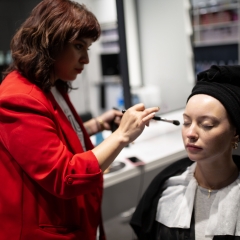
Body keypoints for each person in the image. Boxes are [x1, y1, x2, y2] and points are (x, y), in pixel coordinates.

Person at [0, 1, 160, 239]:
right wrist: (121, 135)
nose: (85, 59)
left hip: (78, 218)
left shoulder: (51, 86)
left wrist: (96, 125)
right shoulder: (19, 98)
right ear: (50, 42)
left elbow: (46, 140)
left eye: (88, 48)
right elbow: (65, 176)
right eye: (78, 46)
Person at [130, 65, 240, 240]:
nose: (190, 134)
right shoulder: (168, 189)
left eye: (207, 125)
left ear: (235, 132)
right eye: (187, 122)